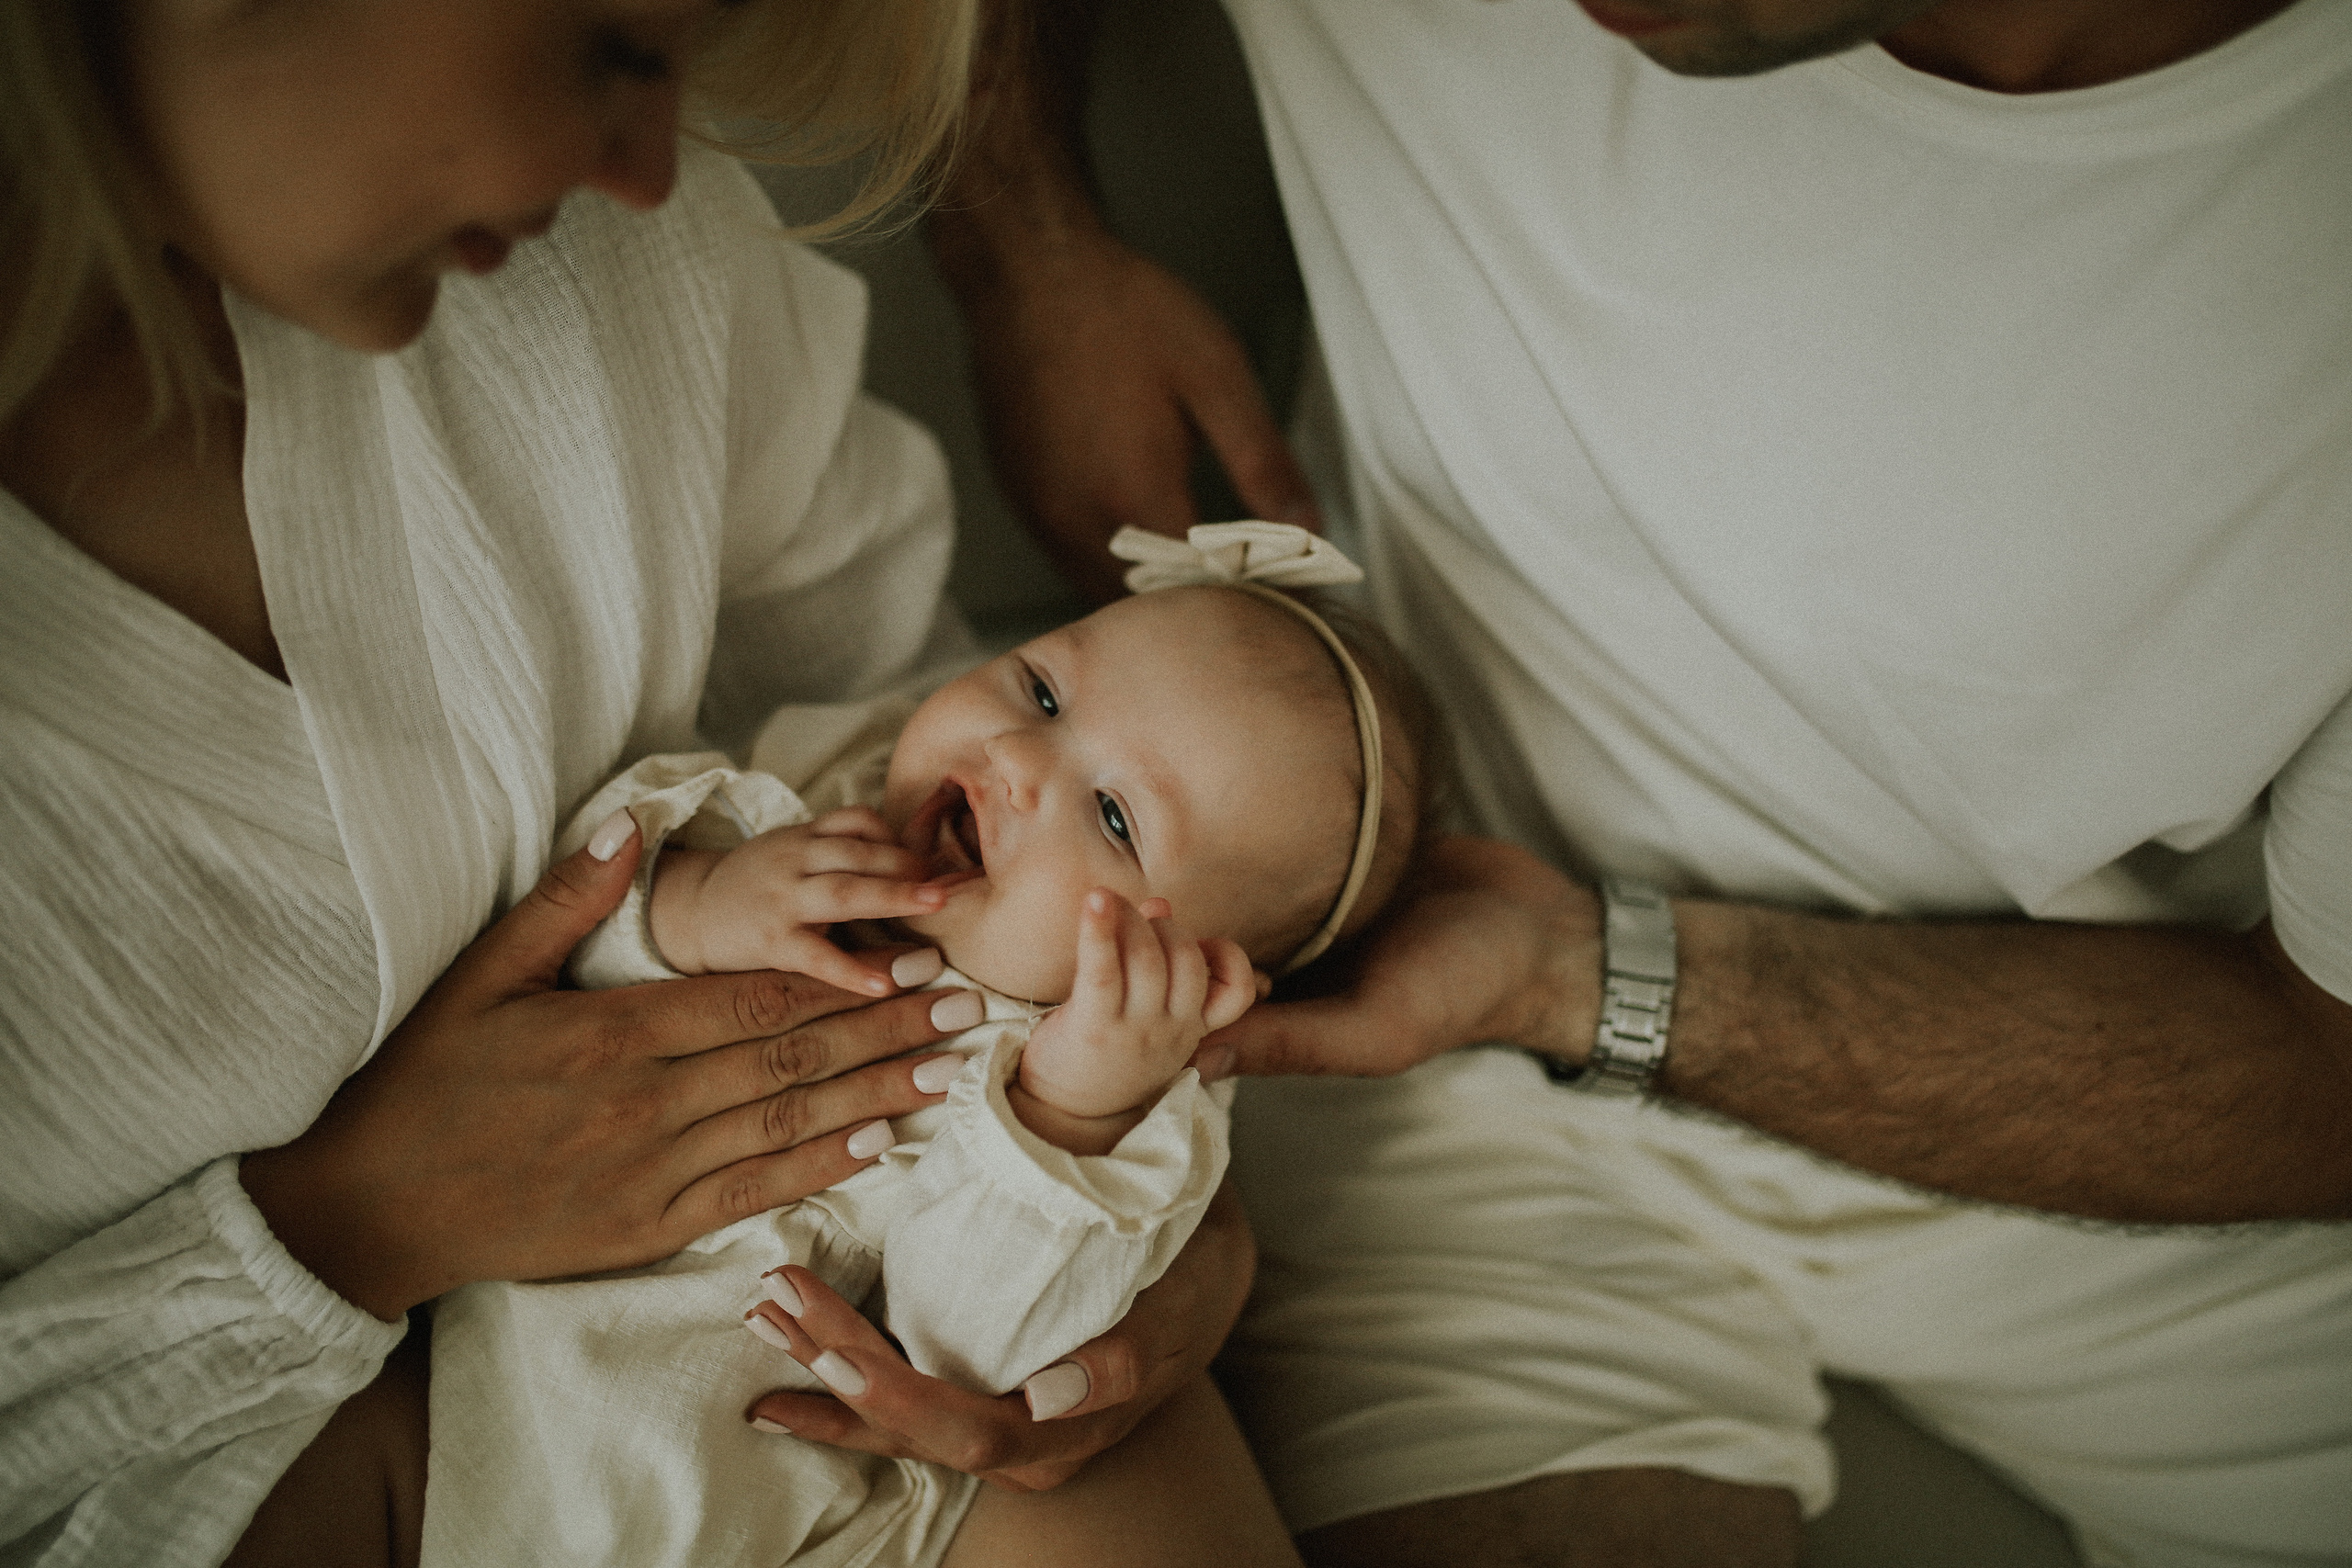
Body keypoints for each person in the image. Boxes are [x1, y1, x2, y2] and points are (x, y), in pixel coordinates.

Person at [908, 0, 2352, 1563]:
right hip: (1418, 1064)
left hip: (2109, 1159)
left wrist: (1577, 974)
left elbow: (2327, 1071)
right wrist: (1020, 236)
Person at [0, 5, 1293, 1565]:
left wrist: (1136, 1205)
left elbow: (868, 718)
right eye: (612, 45)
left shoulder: (617, 264)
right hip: (288, 1448)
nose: (649, 163)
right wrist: (344, 1229)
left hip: (857, 1374)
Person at [425, 529, 1438, 1568]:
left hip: (720, 1488)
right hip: (491, 1364)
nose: (1015, 760)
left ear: (1196, 974)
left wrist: (1069, 1113)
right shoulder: (827, 788)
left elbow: (962, 1350)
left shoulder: (1120, 1118)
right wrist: (694, 906)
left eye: (1114, 818)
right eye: (1043, 691)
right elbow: (552, 940)